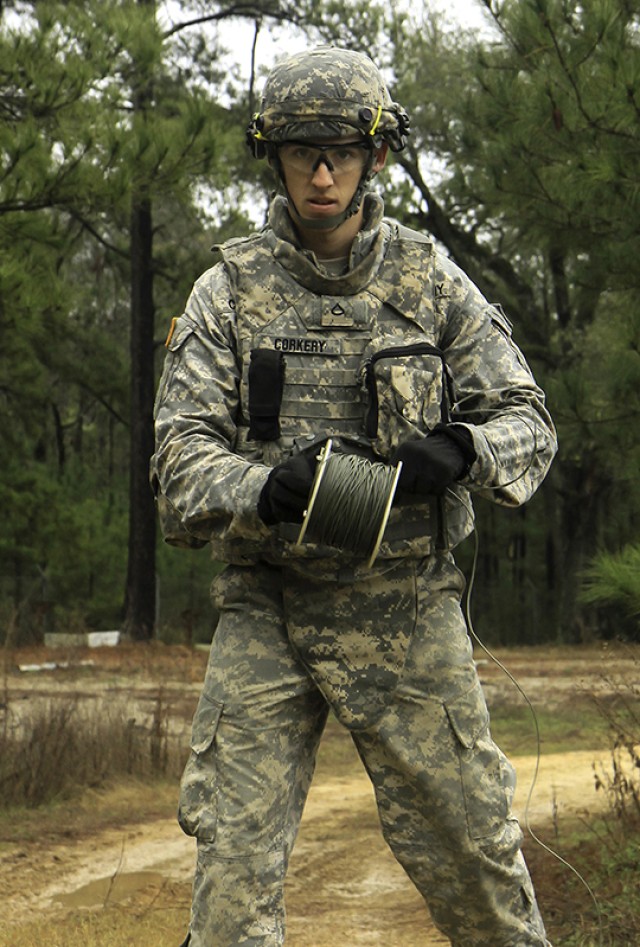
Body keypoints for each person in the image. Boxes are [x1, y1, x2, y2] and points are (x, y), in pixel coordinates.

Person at [152, 45, 557, 947]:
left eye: (340, 150)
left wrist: (460, 450)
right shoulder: (227, 294)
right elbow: (177, 466)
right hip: (270, 606)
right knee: (229, 897)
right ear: (276, 158)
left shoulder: (430, 284)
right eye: (302, 152)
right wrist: (265, 488)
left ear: (377, 156)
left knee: (484, 873)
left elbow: (532, 422)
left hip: (408, 607)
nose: (322, 172)